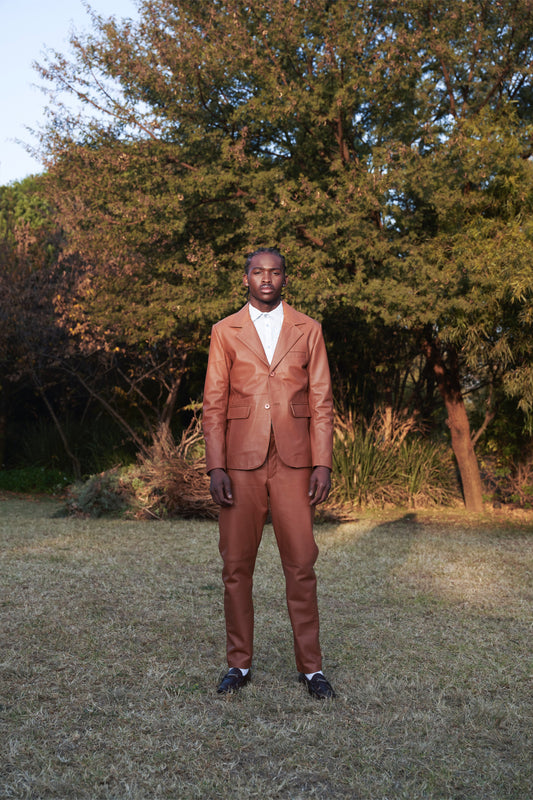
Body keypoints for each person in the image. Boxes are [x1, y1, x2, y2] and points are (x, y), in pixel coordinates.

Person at [202, 247, 336, 699]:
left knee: (301, 565)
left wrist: (323, 462)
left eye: (274, 272)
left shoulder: (309, 329)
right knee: (236, 567)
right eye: (258, 272)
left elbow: (321, 402)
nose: (266, 279)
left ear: (284, 279)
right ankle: (238, 665)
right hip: (240, 464)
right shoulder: (225, 331)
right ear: (245, 279)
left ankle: (312, 669)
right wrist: (215, 465)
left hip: (295, 464)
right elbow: (213, 404)